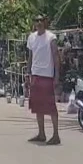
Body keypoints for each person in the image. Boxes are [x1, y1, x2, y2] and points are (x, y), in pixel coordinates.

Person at [26, 15, 61, 145]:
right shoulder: (31, 38)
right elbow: (30, 57)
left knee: (50, 106)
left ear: (45, 22)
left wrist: (57, 77)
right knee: (37, 106)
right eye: (37, 20)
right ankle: (41, 134)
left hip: (47, 76)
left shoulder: (51, 38)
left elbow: (56, 57)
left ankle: (56, 135)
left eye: (41, 20)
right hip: (35, 75)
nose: (39, 23)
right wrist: (27, 74)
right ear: (34, 23)